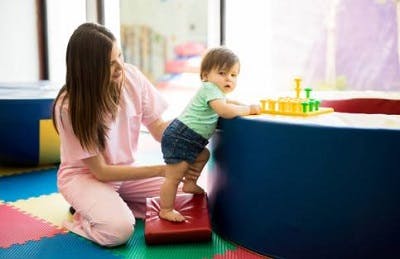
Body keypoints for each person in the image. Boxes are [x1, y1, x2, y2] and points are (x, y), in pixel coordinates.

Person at [52, 22, 199, 247]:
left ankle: (113, 204)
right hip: (86, 177)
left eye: (119, 55)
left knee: (188, 197)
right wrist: (162, 170)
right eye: (110, 64)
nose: (120, 66)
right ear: (89, 70)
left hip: (124, 173)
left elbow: (159, 129)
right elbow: (101, 172)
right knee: (118, 231)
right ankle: (83, 215)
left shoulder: (132, 77)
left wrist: (194, 124)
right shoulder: (69, 106)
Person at [159, 47, 261, 222]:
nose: (228, 78)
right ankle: (166, 209)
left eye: (233, 75)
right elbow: (225, 110)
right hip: (181, 136)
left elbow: (227, 102)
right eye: (222, 73)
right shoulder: (210, 89)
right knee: (174, 175)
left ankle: (190, 183)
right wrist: (249, 109)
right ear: (205, 75)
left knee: (203, 155)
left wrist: (241, 103)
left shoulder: (215, 92)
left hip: (190, 138)